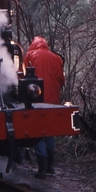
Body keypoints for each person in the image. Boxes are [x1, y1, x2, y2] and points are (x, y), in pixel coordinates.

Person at [23, 36, 65, 179]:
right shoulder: (56, 58)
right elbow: (62, 80)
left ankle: (41, 169)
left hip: (37, 100)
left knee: (38, 134)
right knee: (49, 132)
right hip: (53, 101)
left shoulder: (30, 55)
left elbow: (22, 78)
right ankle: (50, 166)